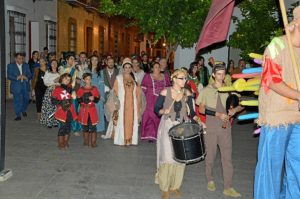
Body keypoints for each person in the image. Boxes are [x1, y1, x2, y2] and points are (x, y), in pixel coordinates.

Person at [254, 6, 300, 199]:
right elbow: (271, 80)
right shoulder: (276, 45)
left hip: (297, 118)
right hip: (276, 119)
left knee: (297, 169)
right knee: (269, 170)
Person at [196, 64, 243, 198]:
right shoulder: (207, 90)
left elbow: (240, 104)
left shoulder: (229, 90)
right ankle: (210, 179)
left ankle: (228, 187)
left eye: (223, 74)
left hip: (225, 129)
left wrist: (235, 110)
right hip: (211, 127)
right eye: (219, 74)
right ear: (213, 75)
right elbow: (201, 109)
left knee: (227, 158)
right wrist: (218, 114)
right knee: (210, 156)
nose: (221, 77)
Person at [154, 69, 199, 199]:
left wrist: (199, 121)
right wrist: (164, 110)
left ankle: (175, 186)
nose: (184, 81)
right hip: (168, 125)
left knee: (180, 157)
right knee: (167, 157)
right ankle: (164, 188)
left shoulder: (187, 93)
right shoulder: (165, 92)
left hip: (182, 127)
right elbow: (156, 109)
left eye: (185, 78)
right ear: (173, 79)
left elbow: (192, 113)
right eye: (181, 78)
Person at [113, 58, 142, 146]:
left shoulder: (135, 78)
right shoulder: (118, 78)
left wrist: (139, 105)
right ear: (123, 68)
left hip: (133, 104)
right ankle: (122, 139)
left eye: (129, 67)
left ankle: (131, 139)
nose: (128, 69)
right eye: (126, 67)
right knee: (122, 120)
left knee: (131, 120)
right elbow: (115, 92)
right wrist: (117, 103)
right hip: (122, 104)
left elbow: (138, 93)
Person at [141, 62, 171, 141]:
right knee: (150, 115)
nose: (157, 68)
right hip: (150, 99)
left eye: (158, 67)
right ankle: (150, 135)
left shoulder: (165, 77)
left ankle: (159, 134)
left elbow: (169, 88)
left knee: (160, 116)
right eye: (156, 67)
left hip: (162, 99)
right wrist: (142, 100)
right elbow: (143, 88)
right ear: (152, 68)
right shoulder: (147, 76)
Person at [51, 73, 77, 149]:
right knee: (62, 127)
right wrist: (62, 102)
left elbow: (73, 99)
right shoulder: (57, 89)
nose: (67, 80)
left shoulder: (70, 89)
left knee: (68, 127)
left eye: (69, 79)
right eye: (65, 78)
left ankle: (66, 142)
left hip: (70, 111)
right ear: (62, 78)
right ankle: (60, 143)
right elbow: (53, 101)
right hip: (62, 111)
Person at [59, 52, 81, 136]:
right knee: (64, 110)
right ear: (67, 60)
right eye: (71, 59)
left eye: (73, 59)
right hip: (64, 92)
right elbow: (66, 79)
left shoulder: (75, 70)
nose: (72, 60)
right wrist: (72, 68)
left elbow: (77, 80)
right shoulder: (62, 68)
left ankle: (75, 128)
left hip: (72, 92)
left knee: (74, 110)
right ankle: (63, 126)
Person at [77, 73, 100, 148]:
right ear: (84, 80)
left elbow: (97, 99)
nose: (89, 80)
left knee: (93, 126)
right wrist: (85, 98)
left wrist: (94, 98)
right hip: (84, 110)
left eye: (90, 79)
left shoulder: (94, 88)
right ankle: (86, 141)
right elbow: (79, 100)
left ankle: (93, 142)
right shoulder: (81, 89)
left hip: (92, 110)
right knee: (85, 126)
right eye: (87, 79)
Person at [7, 53, 32, 121]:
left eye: (22, 58)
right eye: (19, 58)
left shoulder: (26, 65)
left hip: (25, 85)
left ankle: (23, 110)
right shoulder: (10, 66)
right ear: (16, 59)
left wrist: (26, 77)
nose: (21, 60)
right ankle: (18, 115)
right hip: (16, 85)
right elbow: (9, 76)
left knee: (26, 99)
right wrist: (17, 77)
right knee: (17, 101)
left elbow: (30, 75)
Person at [86, 55, 106, 133]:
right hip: (88, 93)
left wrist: (100, 96)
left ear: (98, 61)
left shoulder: (100, 71)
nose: (94, 61)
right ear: (90, 61)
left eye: (96, 60)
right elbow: (82, 83)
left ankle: (98, 127)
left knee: (98, 109)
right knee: (89, 110)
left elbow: (102, 84)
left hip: (97, 93)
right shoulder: (86, 70)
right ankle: (89, 127)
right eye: (93, 60)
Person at [40, 59, 60, 128]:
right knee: (49, 106)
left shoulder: (59, 73)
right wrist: (54, 81)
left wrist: (58, 82)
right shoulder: (48, 72)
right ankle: (49, 122)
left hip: (58, 91)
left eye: (55, 63)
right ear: (50, 65)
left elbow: (62, 82)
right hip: (50, 91)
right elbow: (45, 82)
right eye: (53, 63)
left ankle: (55, 121)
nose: (54, 65)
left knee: (56, 107)